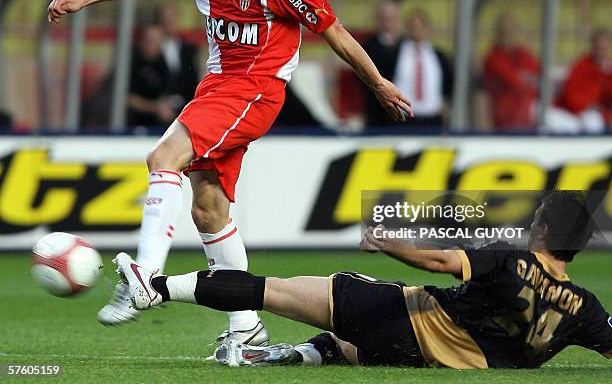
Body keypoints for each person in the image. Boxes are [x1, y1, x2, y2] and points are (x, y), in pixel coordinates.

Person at [47, 0, 412, 345]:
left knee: (163, 157)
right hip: (217, 88)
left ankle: (145, 275)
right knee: (208, 208)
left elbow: (335, 33)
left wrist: (377, 84)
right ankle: (247, 328)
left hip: (254, 89)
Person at [115, 191, 612, 368]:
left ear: (543, 228)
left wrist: (387, 239)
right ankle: (295, 355)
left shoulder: (511, 259)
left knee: (274, 290)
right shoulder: (583, 308)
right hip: (433, 361)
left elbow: (440, 262)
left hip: (408, 320)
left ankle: (153, 289)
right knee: (346, 344)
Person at [392, 10, 453, 127]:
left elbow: (449, 82)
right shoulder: (395, 54)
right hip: (403, 119)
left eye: (420, 27)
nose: (417, 31)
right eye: (413, 27)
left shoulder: (438, 55)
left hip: (433, 119)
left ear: (427, 29)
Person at [482, 14, 540, 131]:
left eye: (511, 29)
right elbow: (515, 81)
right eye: (504, 31)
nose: (507, 34)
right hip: (505, 117)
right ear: (497, 32)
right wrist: (525, 78)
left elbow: (537, 73)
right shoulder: (493, 57)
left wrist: (525, 78)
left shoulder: (522, 53)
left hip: (527, 112)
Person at [548, 28, 612, 134]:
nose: (601, 49)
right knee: (593, 123)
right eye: (598, 46)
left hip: (599, 113)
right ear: (593, 46)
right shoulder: (581, 66)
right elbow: (571, 96)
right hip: (576, 113)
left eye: (604, 46)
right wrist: (589, 105)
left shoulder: (608, 69)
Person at [127, 23, 179, 127]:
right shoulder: (130, 62)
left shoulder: (164, 63)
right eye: (148, 39)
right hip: (132, 125)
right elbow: (124, 98)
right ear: (141, 41)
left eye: (156, 40)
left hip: (160, 126)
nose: (151, 44)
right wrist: (155, 108)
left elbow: (169, 91)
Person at [362, 0, 403, 127]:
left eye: (391, 18)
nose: (387, 22)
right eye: (384, 18)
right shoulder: (367, 47)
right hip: (375, 108)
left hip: (402, 108)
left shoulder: (406, 46)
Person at [153, 4, 200, 110]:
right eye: (164, 20)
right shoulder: (152, 47)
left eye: (171, 20)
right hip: (158, 110)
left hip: (186, 106)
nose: (168, 24)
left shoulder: (189, 49)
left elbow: (193, 77)